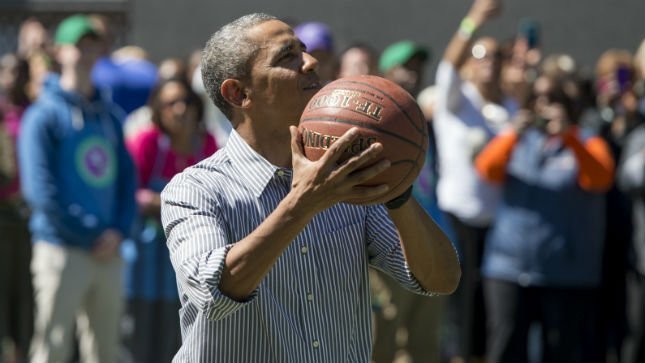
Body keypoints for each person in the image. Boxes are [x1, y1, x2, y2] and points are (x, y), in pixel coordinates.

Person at [160, 13, 461, 362]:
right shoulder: (194, 189)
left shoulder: (349, 181)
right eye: (287, 56)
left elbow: (440, 279)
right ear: (239, 93)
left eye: (304, 50)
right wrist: (302, 203)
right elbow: (213, 293)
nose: (312, 61)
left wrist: (398, 192)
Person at [17, 15, 137, 363]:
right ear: (60, 51)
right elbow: (40, 192)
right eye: (78, 44)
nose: (86, 52)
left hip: (110, 250)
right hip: (61, 249)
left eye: (93, 44)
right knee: (52, 346)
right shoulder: (43, 115)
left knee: (106, 350)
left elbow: (127, 181)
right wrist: (89, 234)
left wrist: (118, 230)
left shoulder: (111, 116)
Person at [475, 75, 614, 363]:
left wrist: (569, 137)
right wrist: (512, 134)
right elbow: (487, 170)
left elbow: (600, 178)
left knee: (560, 351)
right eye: (537, 99)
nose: (544, 106)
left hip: (565, 273)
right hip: (508, 268)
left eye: (552, 99)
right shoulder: (515, 140)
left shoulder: (587, 141)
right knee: (505, 348)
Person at [432, 1, 517, 361]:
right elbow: (448, 64)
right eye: (481, 55)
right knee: (460, 313)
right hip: (457, 221)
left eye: (496, 56)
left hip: (499, 226)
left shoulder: (508, 108)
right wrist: (474, 21)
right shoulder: (456, 100)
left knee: (491, 317)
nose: (489, 62)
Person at [123, 77, 216, 363]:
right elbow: (129, 190)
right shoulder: (147, 142)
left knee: (181, 330)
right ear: (158, 111)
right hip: (147, 255)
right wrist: (164, 201)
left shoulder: (209, 143)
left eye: (185, 102)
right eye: (170, 104)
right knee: (141, 329)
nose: (179, 110)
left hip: (193, 252)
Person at [0, 53, 33, 363]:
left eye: (19, 71)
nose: (13, 77)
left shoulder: (32, 113)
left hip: (28, 216)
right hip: (2, 215)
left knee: (24, 295)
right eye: (7, 70)